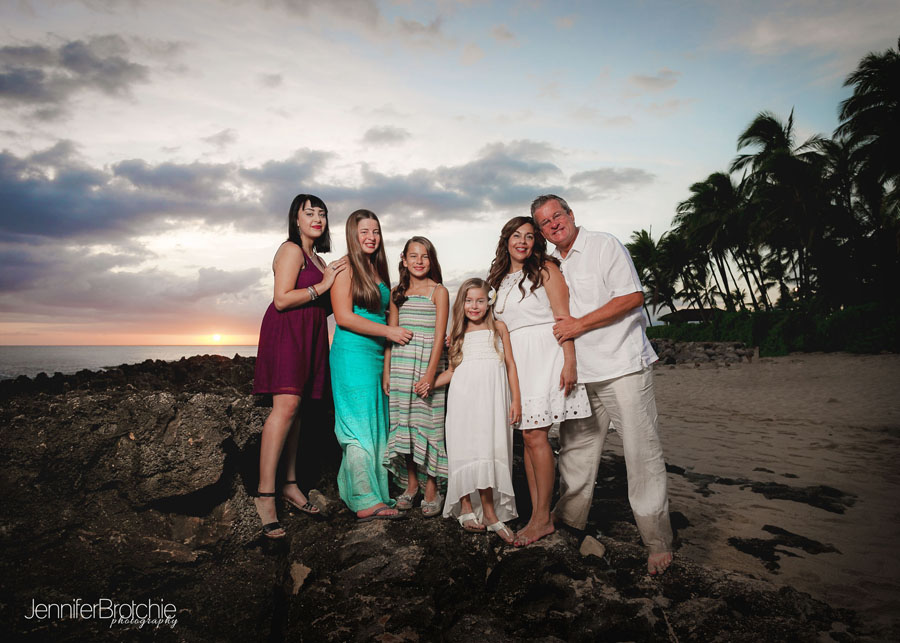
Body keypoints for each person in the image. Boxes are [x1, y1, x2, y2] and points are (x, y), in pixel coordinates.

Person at [531, 194, 674, 575]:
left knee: (641, 454)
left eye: (557, 215)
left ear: (571, 215)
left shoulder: (603, 245)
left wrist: (579, 324)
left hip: (622, 365)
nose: (554, 224)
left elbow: (632, 297)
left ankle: (657, 542)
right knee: (575, 453)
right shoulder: (548, 265)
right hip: (579, 374)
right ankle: (569, 524)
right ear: (542, 231)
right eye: (545, 222)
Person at [486, 217, 591, 547]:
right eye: (516, 235)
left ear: (536, 242)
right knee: (529, 438)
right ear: (506, 240)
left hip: (545, 356)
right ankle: (538, 515)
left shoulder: (546, 268)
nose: (523, 241)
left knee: (536, 437)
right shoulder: (499, 279)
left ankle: (542, 517)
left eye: (530, 236)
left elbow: (564, 318)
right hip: (517, 363)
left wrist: (570, 361)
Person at [252, 193, 347, 539]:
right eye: (310, 213)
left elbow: (324, 307)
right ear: (296, 219)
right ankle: (265, 496)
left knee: (299, 409)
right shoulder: (290, 250)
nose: (317, 218)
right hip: (286, 331)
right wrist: (324, 285)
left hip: (311, 333)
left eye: (322, 213)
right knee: (286, 406)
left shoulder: (320, 261)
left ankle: (290, 484)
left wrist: (343, 276)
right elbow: (281, 298)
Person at [330, 209, 413, 521]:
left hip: (378, 356)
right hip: (352, 355)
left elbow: (391, 309)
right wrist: (389, 332)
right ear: (353, 235)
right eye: (364, 231)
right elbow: (343, 317)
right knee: (358, 428)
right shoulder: (346, 267)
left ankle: (370, 492)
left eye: (376, 232)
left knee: (376, 426)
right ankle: (366, 501)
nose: (371, 237)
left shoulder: (376, 269)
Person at [435, 278, 521, 544]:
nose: (474, 306)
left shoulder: (499, 328)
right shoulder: (457, 334)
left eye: (480, 300)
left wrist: (516, 400)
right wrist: (426, 385)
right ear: (462, 303)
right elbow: (451, 370)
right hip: (463, 402)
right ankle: (465, 507)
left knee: (487, 449)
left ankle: (491, 514)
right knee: (464, 450)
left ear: (489, 302)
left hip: (492, 401)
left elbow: (510, 366)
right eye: (469, 300)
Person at [383, 237, 450, 517]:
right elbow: (391, 332)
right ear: (404, 259)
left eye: (424, 256)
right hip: (400, 365)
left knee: (431, 426)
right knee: (406, 425)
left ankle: (432, 486)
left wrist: (430, 375)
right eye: (414, 256)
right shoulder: (397, 292)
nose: (419, 261)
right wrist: (386, 371)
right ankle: (412, 484)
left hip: (427, 364)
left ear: (431, 260)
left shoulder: (439, 291)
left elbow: (438, 337)